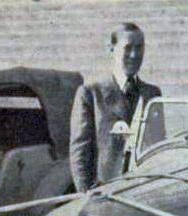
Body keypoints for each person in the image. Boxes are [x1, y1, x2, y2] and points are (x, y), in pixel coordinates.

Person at [69, 22, 162, 192]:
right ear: (111, 49)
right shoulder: (90, 93)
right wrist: (87, 194)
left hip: (143, 191)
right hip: (106, 194)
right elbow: (79, 153)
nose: (134, 55)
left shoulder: (152, 94)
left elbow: (157, 146)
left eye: (139, 47)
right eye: (128, 48)